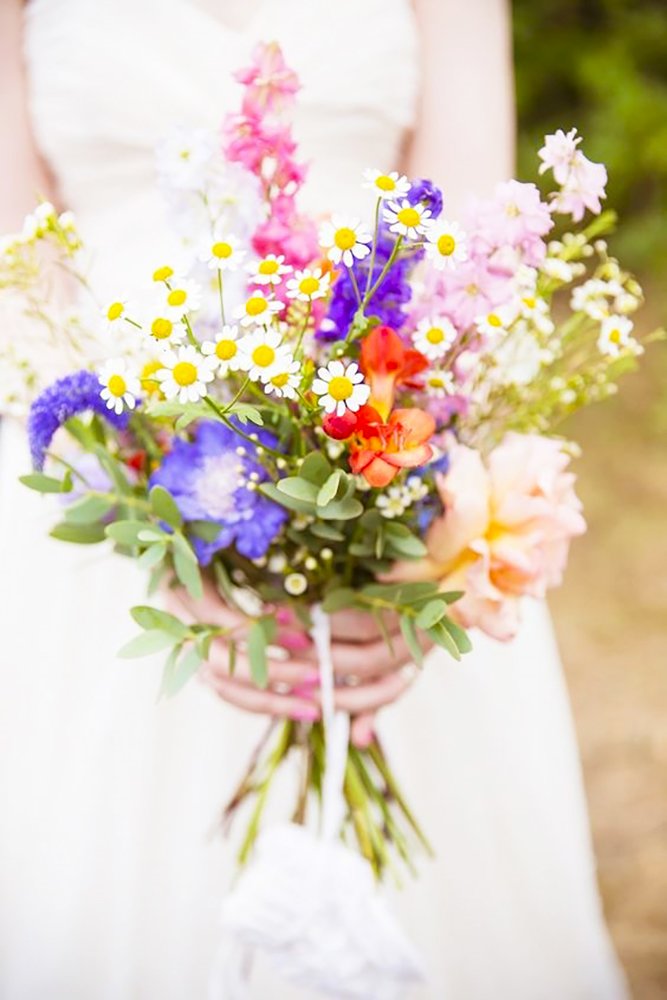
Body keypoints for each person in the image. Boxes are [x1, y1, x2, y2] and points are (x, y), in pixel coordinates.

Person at [0, 1, 627, 997]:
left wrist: (416, 555)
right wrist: (146, 514)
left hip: (393, 438)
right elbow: (15, 271)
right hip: (100, 470)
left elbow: (474, 249)